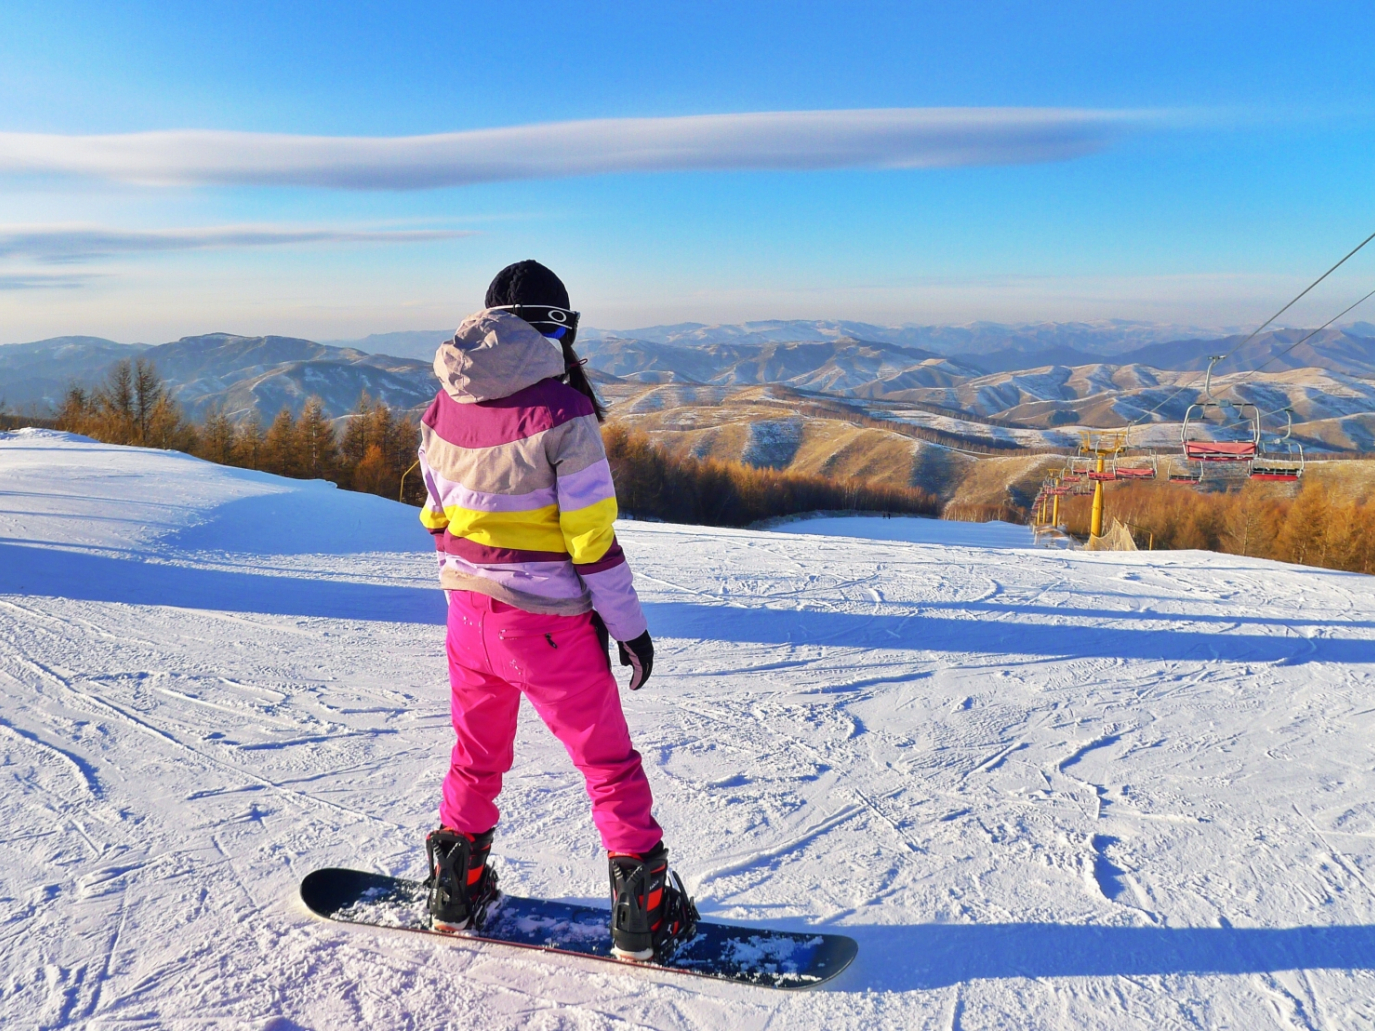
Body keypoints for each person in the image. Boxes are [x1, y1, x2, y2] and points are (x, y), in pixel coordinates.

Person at [415, 260, 696, 961]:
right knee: (607, 763)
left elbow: (434, 514)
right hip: (543, 625)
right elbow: (591, 542)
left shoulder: (442, 404)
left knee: (476, 756)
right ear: (560, 330)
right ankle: (643, 916)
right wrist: (629, 630)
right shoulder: (563, 415)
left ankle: (457, 888)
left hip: (466, 615)